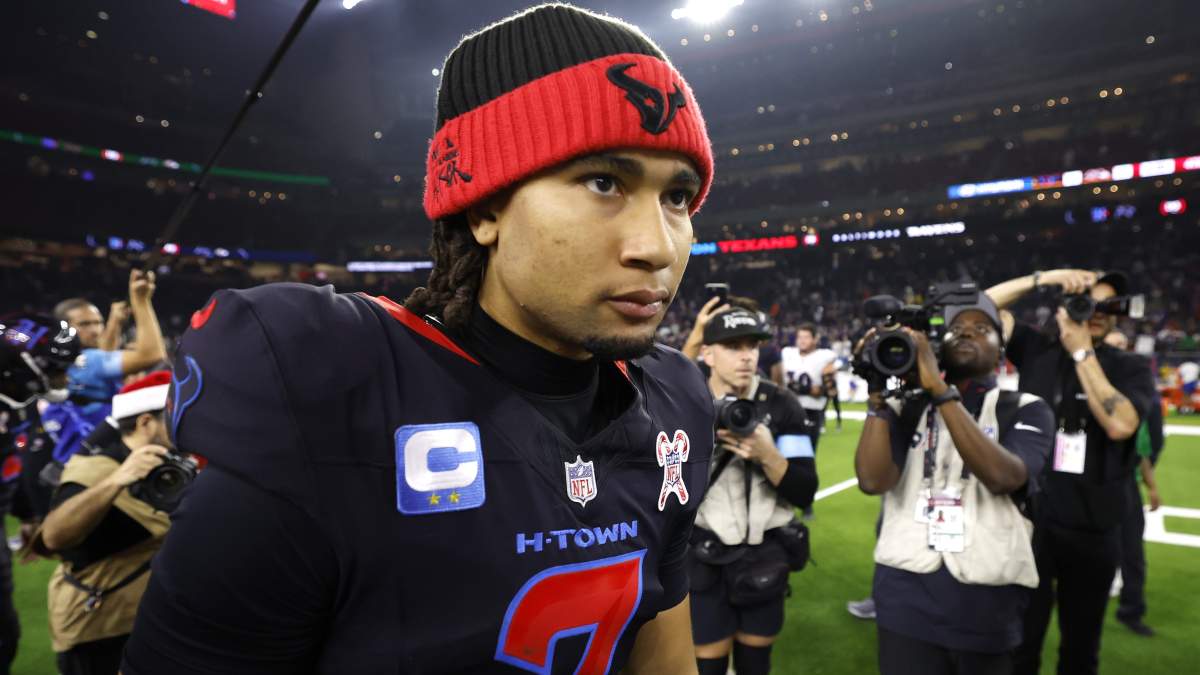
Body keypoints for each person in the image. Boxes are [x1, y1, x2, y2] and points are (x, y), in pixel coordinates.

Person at [123, 5, 716, 673]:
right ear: (485, 207)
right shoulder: (332, 394)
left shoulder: (676, 400)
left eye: (678, 196)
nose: (657, 246)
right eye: (604, 183)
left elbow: (663, 657)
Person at [853, 295, 1054, 675]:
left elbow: (1004, 477)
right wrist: (877, 398)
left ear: (1001, 349)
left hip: (986, 602)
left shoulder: (1026, 407)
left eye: (981, 328)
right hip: (904, 596)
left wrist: (939, 390)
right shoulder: (906, 407)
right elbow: (872, 480)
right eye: (956, 329)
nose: (966, 333)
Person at [987, 269, 1158, 675]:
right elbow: (980, 307)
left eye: (1107, 305)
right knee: (1019, 646)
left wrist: (1083, 353)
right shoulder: (1038, 349)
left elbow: (1120, 425)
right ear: (1064, 308)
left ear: (1118, 314)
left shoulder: (1130, 366)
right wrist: (1044, 278)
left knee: (1080, 652)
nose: (1096, 312)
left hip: (1093, 530)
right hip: (1031, 526)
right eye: (1086, 303)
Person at [691, 307, 817, 675]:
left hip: (764, 555)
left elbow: (805, 490)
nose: (746, 356)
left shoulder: (781, 404)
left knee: (755, 664)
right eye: (733, 346)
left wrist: (768, 455)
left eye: (753, 346)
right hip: (702, 555)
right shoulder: (686, 404)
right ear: (707, 353)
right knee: (707, 665)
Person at [32, 372, 174, 675]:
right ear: (146, 422)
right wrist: (116, 480)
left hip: (145, 618)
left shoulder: (169, 461)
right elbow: (53, 537)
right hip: (99, 629)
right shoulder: (95, 469)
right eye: (175, 416)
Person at [0, 314, 81, 675]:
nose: (64, 378)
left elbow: (9, 463)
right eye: (58, 368)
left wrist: (27, 513)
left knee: (6, 635)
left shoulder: (19, 402)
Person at [1102, 331, 1163, 637]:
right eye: (1111, 347)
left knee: (1132, 553)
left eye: (1121, 347)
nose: (1117, 353)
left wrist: (1151, 486)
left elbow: (1142, 450)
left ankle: (1131, 609)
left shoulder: (1134, 399)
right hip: (1085, 485)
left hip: (1124, 485)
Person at [775, 323, 837, 451]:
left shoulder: (824, 356)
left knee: (807, 452)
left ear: (815, 339)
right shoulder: (787, 353)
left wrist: (802, 389)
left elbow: (826, 390)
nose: (802, 341)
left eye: (806, 337)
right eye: (800, 337)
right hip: (788, 410)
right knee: (783, 451)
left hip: (811, 411)